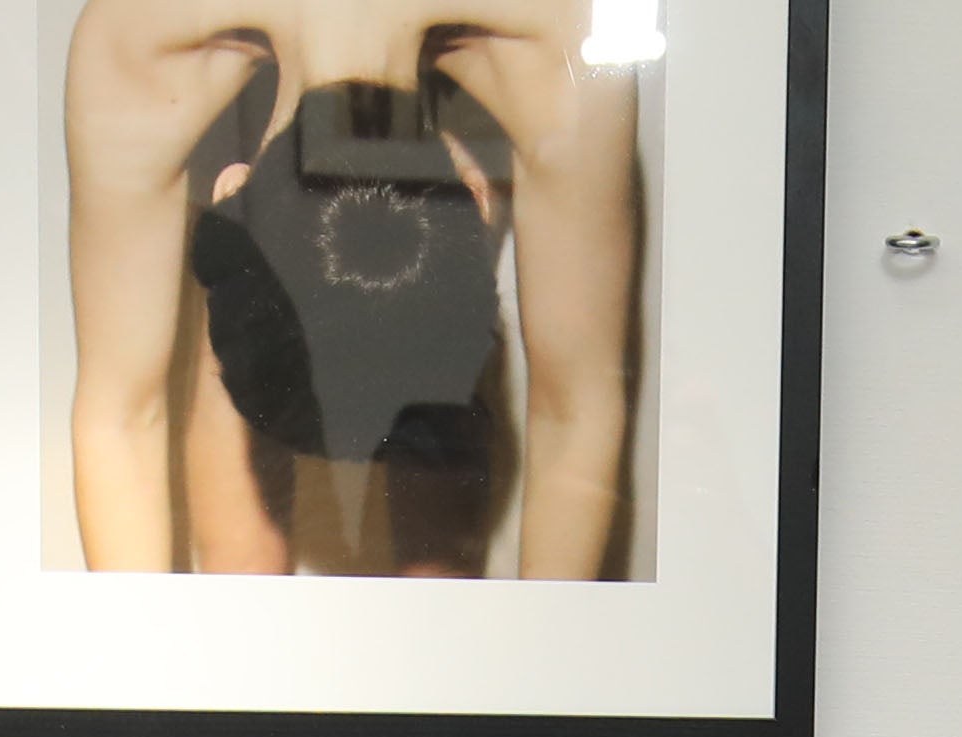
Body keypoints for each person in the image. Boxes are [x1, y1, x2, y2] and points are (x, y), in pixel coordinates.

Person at [62, 1, 640, 578]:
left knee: (433, 553)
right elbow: (118, 414)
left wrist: (547, 654)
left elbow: (577, 409)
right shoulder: (137, 36)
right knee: (246, 554)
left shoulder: (572, 36)